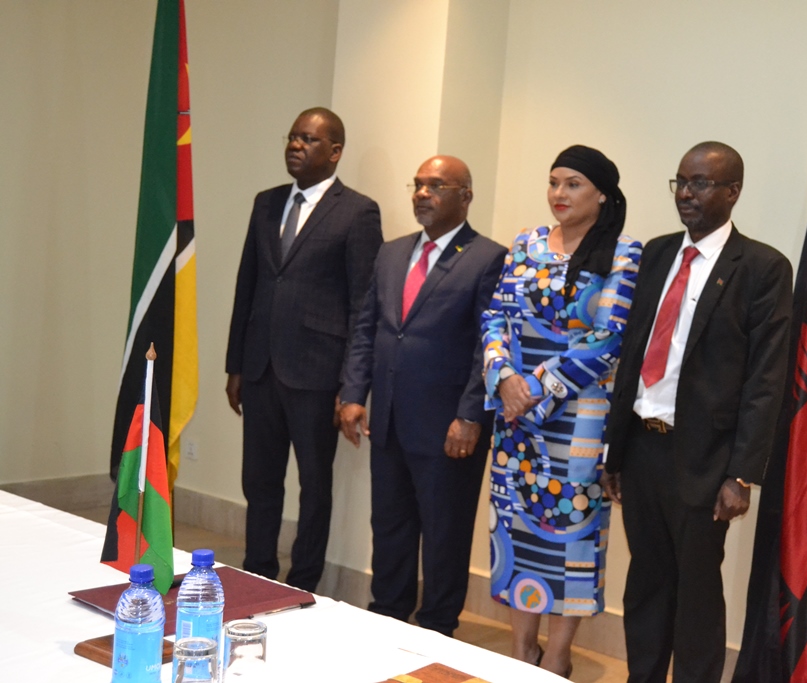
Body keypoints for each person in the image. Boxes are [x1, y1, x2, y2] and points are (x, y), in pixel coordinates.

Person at [602, 141, 793, 683]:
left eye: (702, 183)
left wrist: (741, 475)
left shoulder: (762, 268)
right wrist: (616, 450)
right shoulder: (657, 253)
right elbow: (634, 353)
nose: (686, 193)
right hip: (642, 447)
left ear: (733, 192)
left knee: (698, 594)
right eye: (681, 181)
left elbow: (766, 381)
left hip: (706, 461)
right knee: (646, 584)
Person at [482, 145, 642, 677]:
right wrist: (505, 378)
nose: (559, 194)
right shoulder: (525, 244)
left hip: (580, 421)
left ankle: (555, 657)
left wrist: (537, 384)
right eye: (553, 183)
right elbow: (495, 319)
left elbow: (610, 339)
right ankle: (520, 650)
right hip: (515, 415)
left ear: (601, 193)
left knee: (572, 535)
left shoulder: (624, 254)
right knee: (517, 528)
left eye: (573, 184)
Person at [338, 156, 505, 636]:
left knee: (444, 536)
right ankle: (388, 617)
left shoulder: (488, 258)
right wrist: (353, 393)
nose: (422, 193)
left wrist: (471, 415)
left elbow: (487, 346)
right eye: (418, 184)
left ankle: (436, 628)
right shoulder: (392, 252)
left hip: (448, 427)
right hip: (388, 418)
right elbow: (368, 326)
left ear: (465, 196)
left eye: (436, 185)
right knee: (389, 528)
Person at [225, 107, 383, 592]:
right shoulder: (266, 203)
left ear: (334, 152)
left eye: (309, 140)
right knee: (260, 481)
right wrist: (235, 365)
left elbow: (363, 304)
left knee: (314, 487)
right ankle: (257, 572)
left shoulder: (357, 211)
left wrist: (352, 385)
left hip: (317, 375)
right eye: (293, 137)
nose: (296, 146)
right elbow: (247, 284)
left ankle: (304, 581)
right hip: (260, 368)